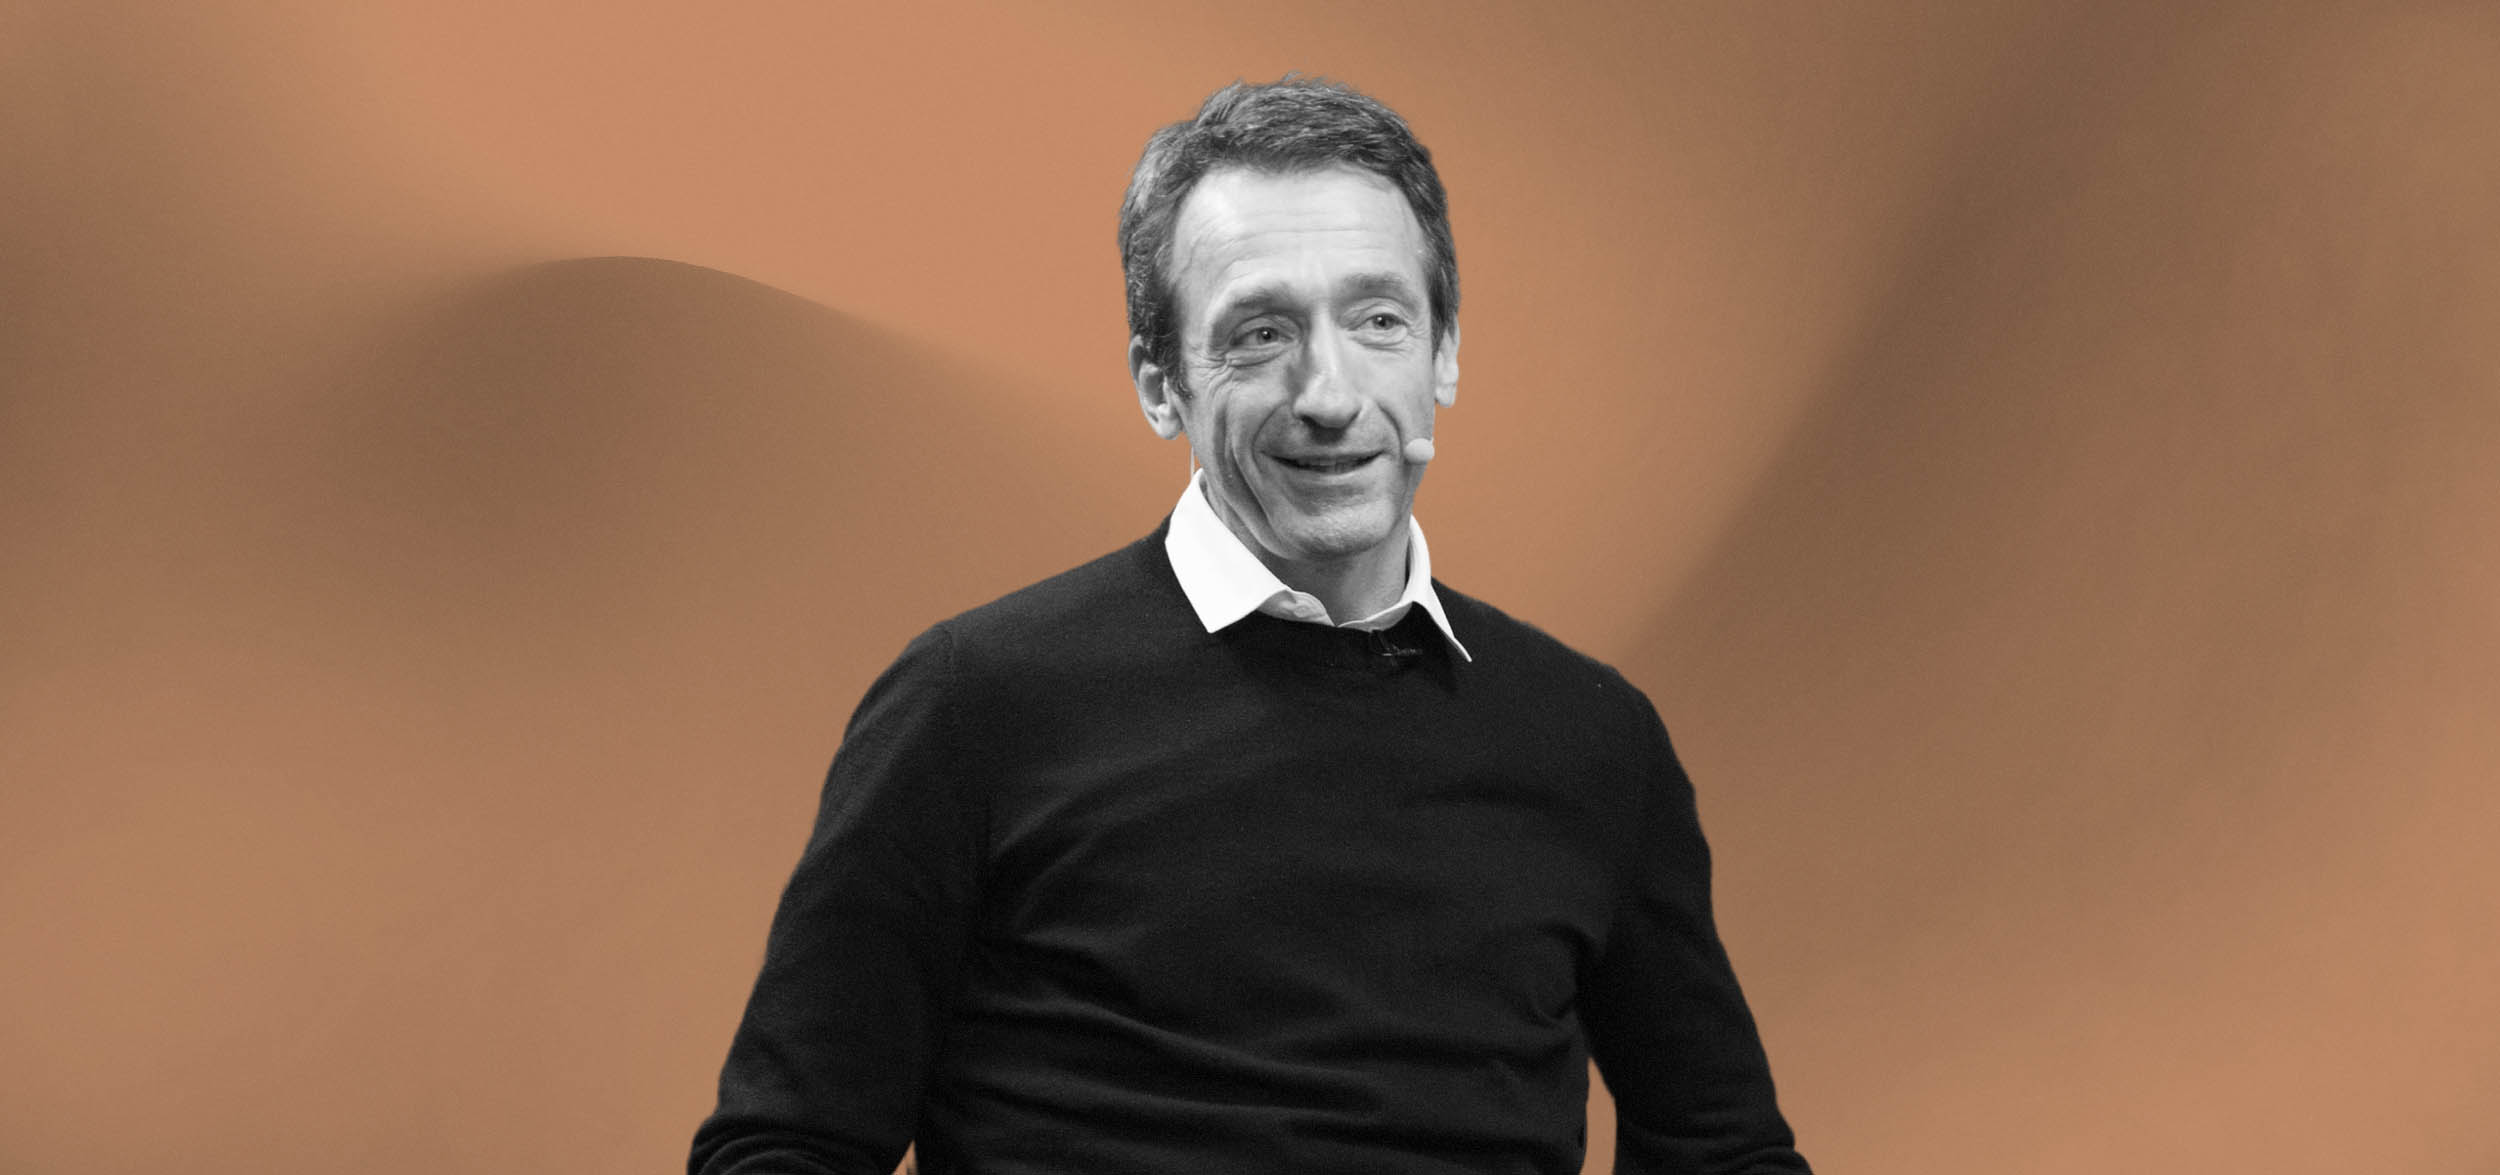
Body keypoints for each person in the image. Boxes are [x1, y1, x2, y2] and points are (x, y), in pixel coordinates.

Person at [689, 76, 1810, 1175]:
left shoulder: (1593, 736)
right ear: (1160, 383)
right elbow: (783, 1146)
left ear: (1444, 353)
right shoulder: (974, 702)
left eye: (1379, 321)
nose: (1329, 394)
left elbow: (1725, 1152)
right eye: (1262, 332)